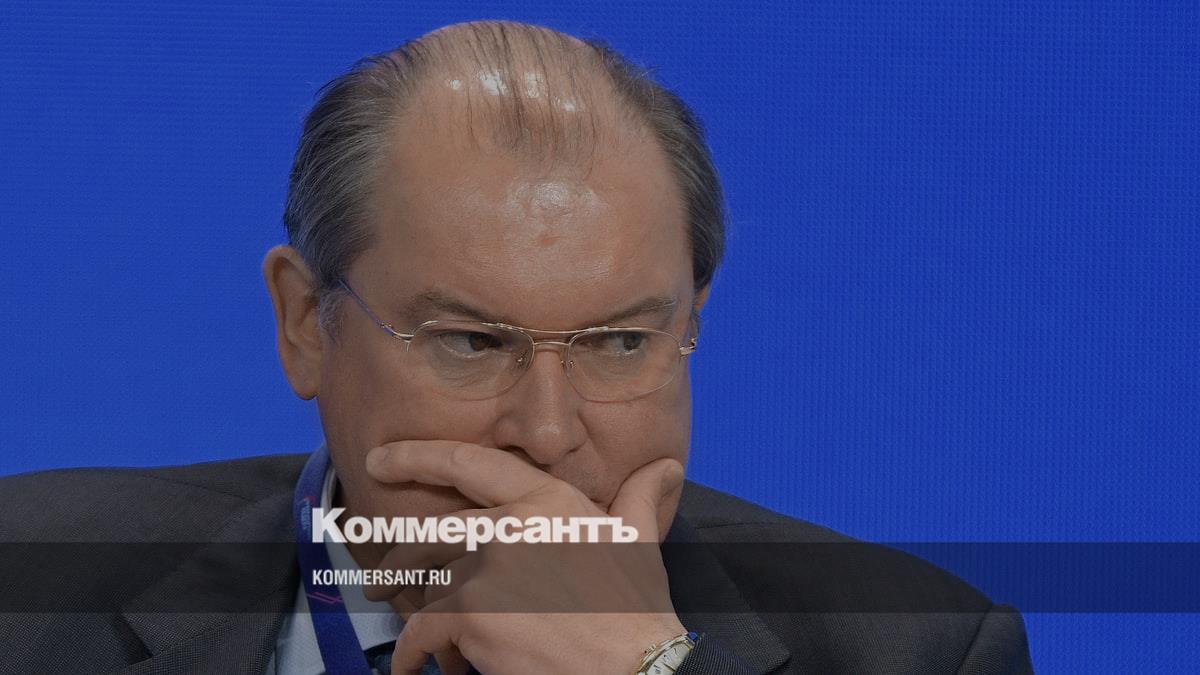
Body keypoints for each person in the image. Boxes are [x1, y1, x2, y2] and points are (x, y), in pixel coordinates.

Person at [0, 20, 1032, 674]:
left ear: (691, 326)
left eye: (620, 341)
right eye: (469, 341)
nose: (545, 435)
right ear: (306, 322)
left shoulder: (918, 649)